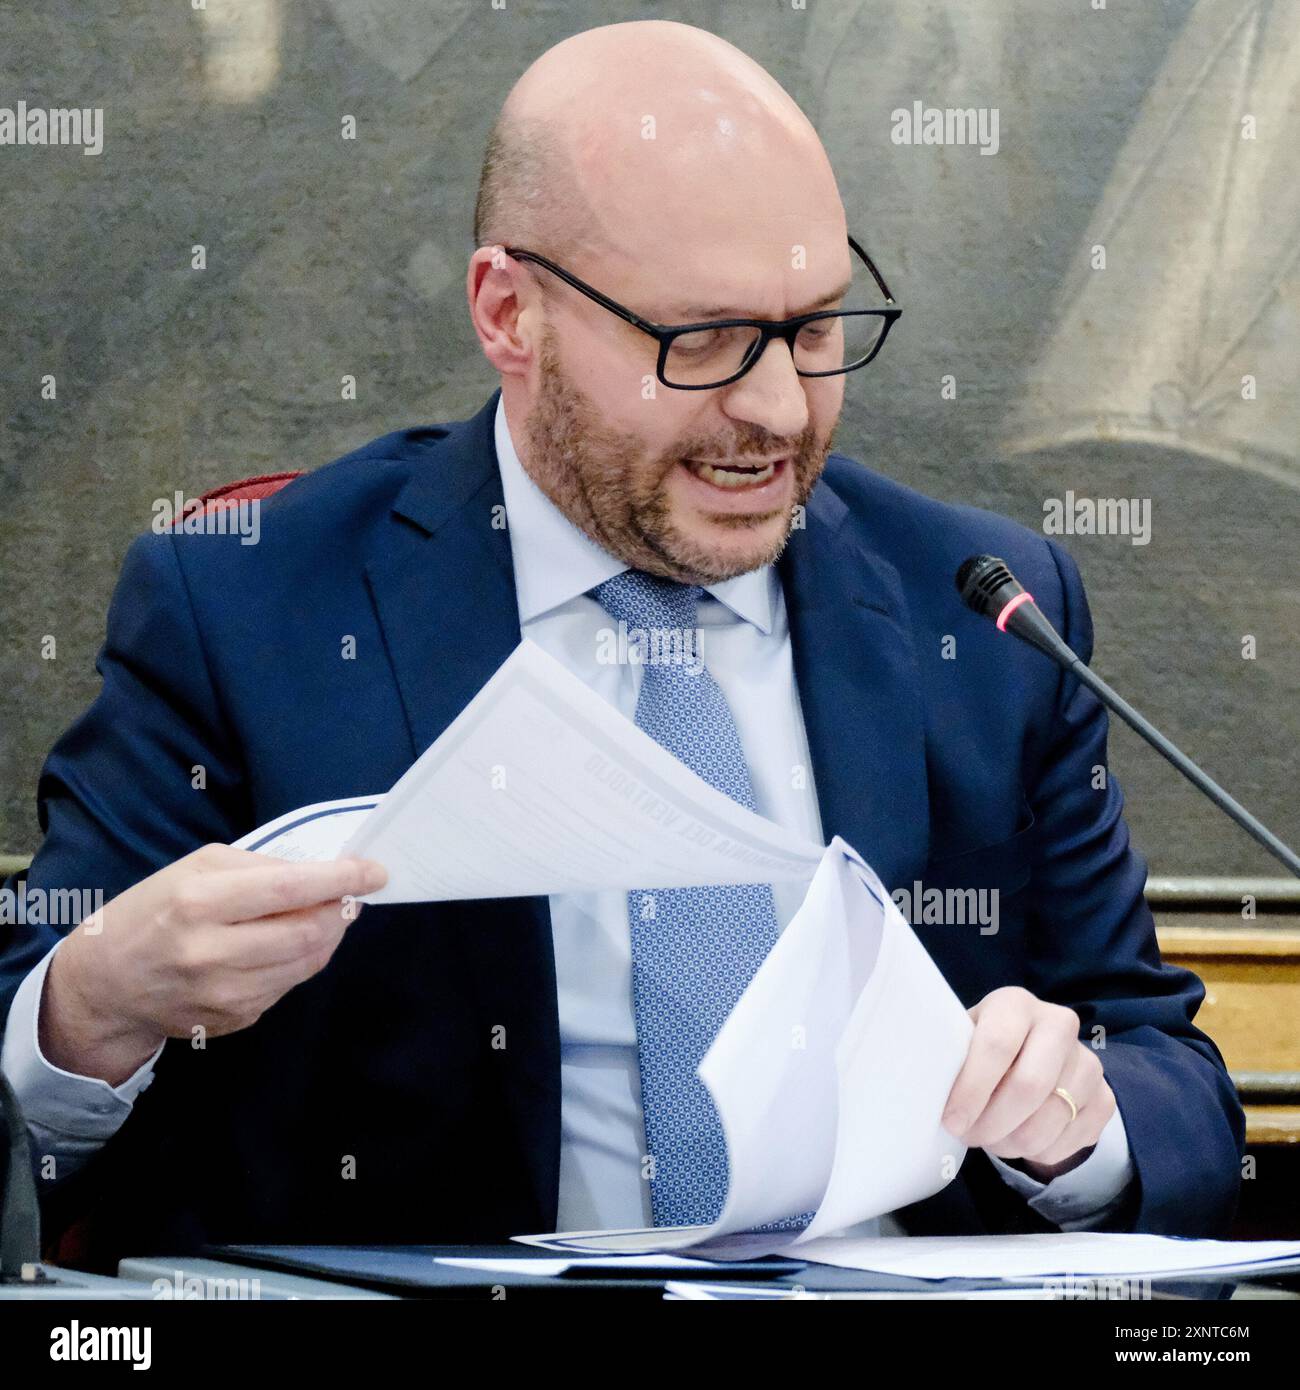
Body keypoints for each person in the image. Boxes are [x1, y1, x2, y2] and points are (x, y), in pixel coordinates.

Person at [0, 20, 1242, 1265]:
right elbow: (34, 1083)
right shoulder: (245, 607)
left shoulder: (983, 609)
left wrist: (1077, 1120)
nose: (772, 411)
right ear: (509, 314)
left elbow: (1165, 1074)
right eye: (698, 340)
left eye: (812, 332)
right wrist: (95, 1008)